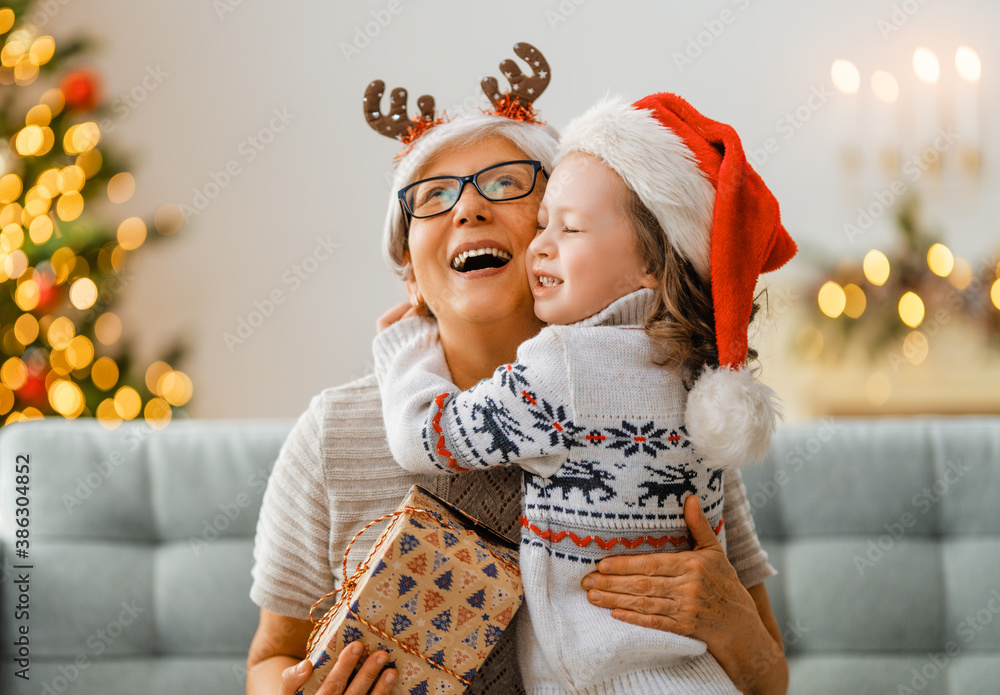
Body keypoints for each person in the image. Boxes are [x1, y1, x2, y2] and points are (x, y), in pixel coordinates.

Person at [246, 46, 789, 695]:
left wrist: (732, 624)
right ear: (407, 267)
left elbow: (770, 679)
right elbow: (267, 662)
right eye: (433, 195)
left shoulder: (671, 406)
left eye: (506, 183)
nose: (469, 209)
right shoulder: (335, 434)